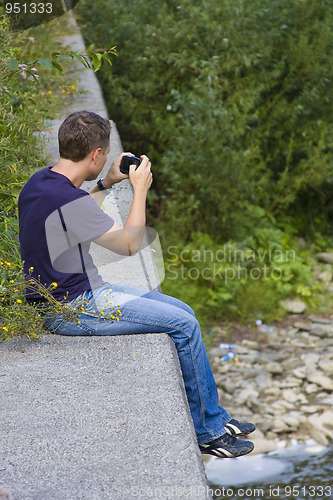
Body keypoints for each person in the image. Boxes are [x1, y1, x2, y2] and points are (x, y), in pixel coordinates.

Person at [18, 110, 255, 459]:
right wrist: (139, 189)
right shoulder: (68, 198)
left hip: (69, 297)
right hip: (74, 308)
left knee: (183, 310)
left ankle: (214, 417)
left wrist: (105, 184)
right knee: (185, 325)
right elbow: (129, 244)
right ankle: (209, 433)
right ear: (97, 154)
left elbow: (78, 216)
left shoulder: (40, 184)